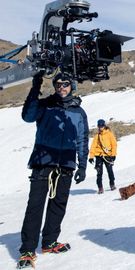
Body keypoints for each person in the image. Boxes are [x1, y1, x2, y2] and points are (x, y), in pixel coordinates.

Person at [17, 72, 88, 269]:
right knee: (35, 206)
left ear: (71, 86)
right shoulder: (45, 105)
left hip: (65, 164)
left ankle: (49, 242)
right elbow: (27, 116)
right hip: (43, 162)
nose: (61, 87)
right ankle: (28, 249)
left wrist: (82, 165)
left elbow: (82, 139)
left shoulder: (79, 112)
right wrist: (35, 87)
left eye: (65, 84)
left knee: (58, 205)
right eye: (57, 84)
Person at [88, 119, 117, 194]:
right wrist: (91, 157)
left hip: (108, 156)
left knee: (110, 171)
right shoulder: (97, 136)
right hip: (98, 156)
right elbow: (93, 146)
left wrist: (113, 155)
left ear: (104, 126)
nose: (100, 127)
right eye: (99, 126)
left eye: (102, 126)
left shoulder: (110, 134)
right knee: (99, 172)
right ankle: (100, 188)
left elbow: (114, 145)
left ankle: (112, 184)